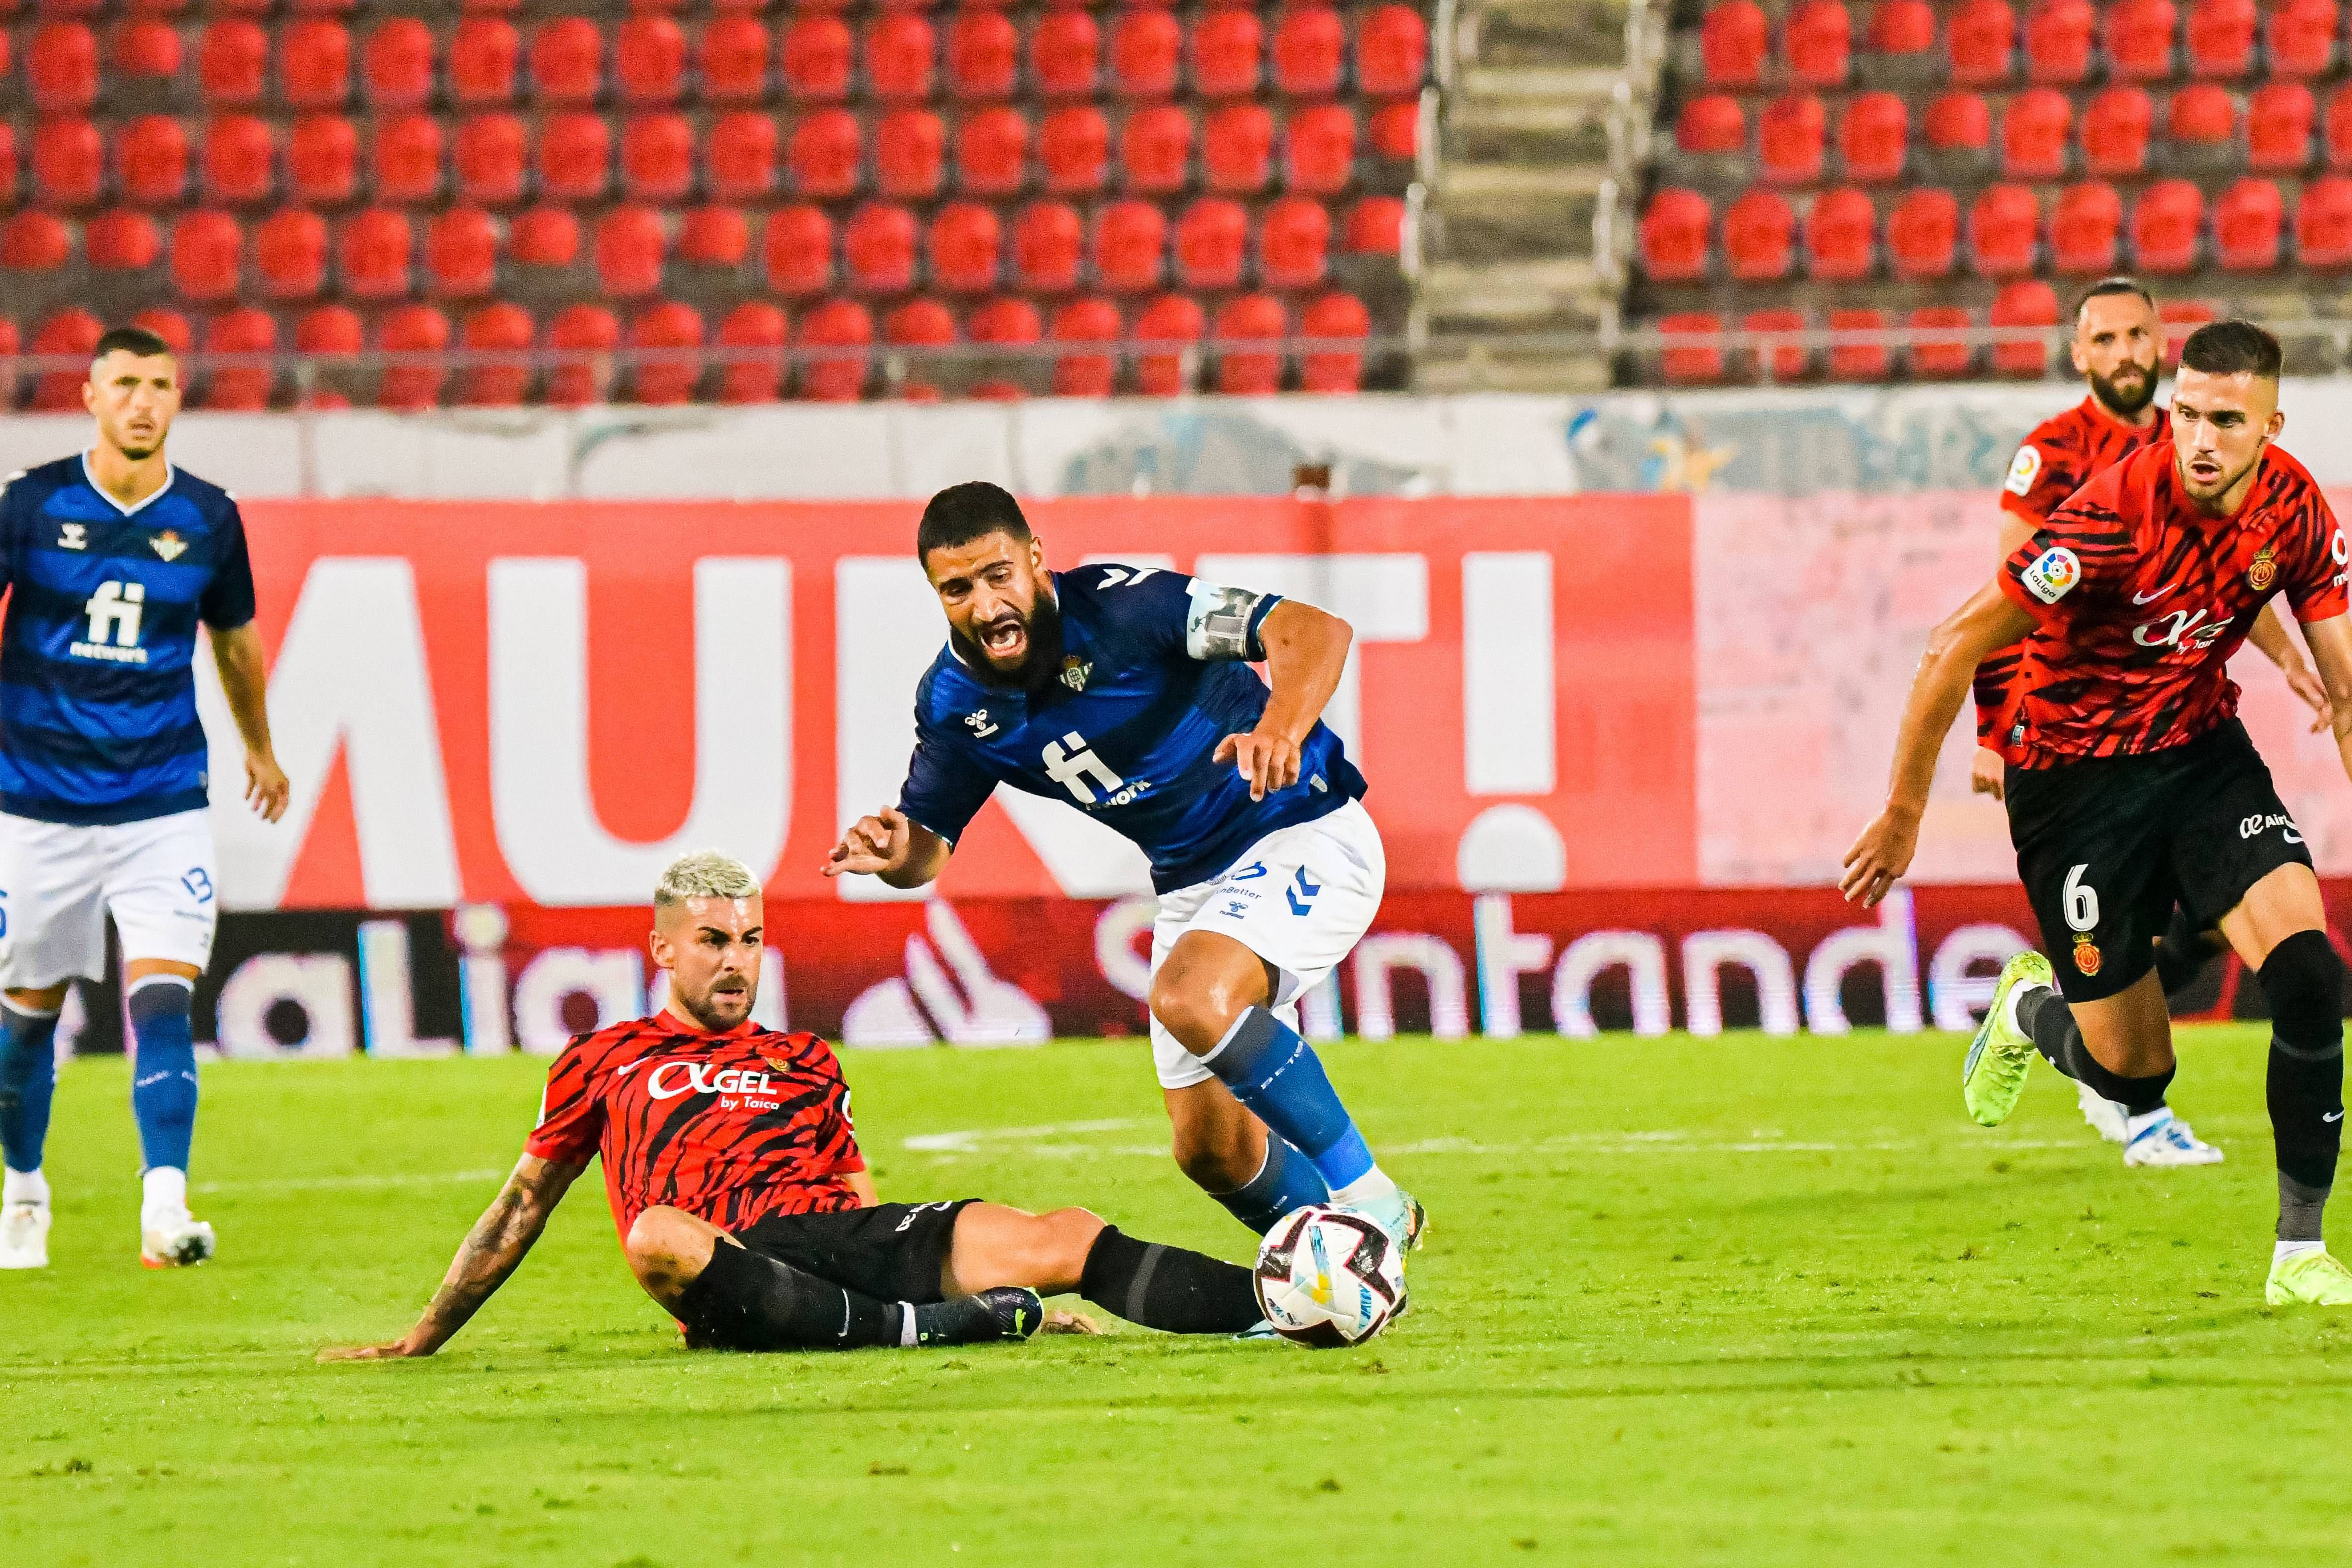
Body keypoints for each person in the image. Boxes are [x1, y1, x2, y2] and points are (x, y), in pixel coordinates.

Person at [1843, 320, 2352, 1306]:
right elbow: (1952, 645)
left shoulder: (2295, 508)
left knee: (2309, 976)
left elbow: (2343, 685)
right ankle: (2031, 1010)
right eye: (2189, 415)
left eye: (2226, 420)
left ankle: (2299, 1253)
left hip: (2203, 760)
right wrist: (1903, 814)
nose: (2201, 438)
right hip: (2072, 789)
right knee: (2131, 1071)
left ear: (2270, 424)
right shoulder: (2109, 519)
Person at [322, 852, 1271, 1361]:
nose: (736, 958)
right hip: (726, 1267)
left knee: (1060, 1232)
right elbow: (523, 1202)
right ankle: (930, 1331)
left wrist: (951, 1269)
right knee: (655, 1232)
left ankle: (1281, 1301)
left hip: (837, 1250)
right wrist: (425, 1334)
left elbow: (859, 1196)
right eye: (711, 940)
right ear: (663, 950)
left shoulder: (804, 1056)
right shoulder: (602, 1057)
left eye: (750, 938)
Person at [824, 481, 1423, 1254]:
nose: (985, 603)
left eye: (998, 574)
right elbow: (927, 843)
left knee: (1188, 994)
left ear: (1036, 560)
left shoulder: (1128, 609)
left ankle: (1372, 1200)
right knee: (1210, 1150)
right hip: (1191, 882)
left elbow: (1311, 630)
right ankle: (1342, 1264)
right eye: (958, 589)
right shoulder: (954, 702)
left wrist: (1279, 725)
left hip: (1299, 829)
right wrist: (892, 853)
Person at [1969, 279, 2330, 1164]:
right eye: (2107, 338)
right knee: (2127, 1047)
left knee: (2222, 926)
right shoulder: (2056, 457)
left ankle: (2111, 1046)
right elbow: (2005, 601)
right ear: (2080, 352)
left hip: (2184, 742)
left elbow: (2244, 573)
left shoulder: (2208, 445)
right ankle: (2115, 1077)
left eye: (2140, 335)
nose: (2126, 351)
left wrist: (2287, 656)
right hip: (2078, 753)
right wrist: (1992, 732)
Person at [0, 326, 290, 1272]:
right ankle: (24, 1188)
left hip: (162, 801)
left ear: (176, 398)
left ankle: (164, 1210)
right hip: (36, 804)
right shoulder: (32, 505)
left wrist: (259, 746)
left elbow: (235, 640)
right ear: (89, 395)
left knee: (165, 997)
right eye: (124, 384)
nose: (142, 402)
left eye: (160, 385)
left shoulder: (208, 516)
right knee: (25, 1021)